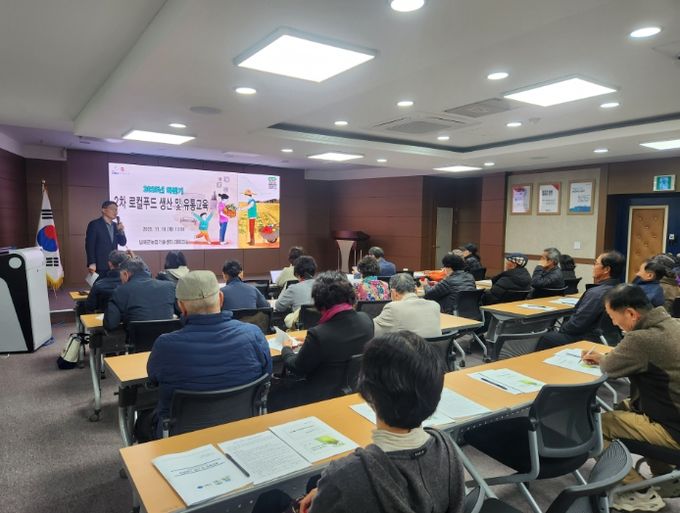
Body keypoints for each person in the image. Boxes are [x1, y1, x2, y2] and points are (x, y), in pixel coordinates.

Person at [295, 331, 465, 513]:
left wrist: (331, 491)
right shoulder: (447, 447)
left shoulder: (343, 476)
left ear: (369, 393)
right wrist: (329, 491)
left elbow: (348, 481)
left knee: (275, 499)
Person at [137, 270, 272, 441]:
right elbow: (267, 374)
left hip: (182, 437)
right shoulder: (253, 334)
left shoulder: (165, 345)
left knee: (141, 421)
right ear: (221, 298)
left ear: (181, 306)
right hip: (242, 429)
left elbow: (153, 379)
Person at [582, 284, 680, 511]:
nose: (614, 323)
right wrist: (605, 357)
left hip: (673, 429)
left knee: (594, 425)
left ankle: (638, 491)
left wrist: (602, 359)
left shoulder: (641, 339)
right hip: (671, 411)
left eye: (612, 317)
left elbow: (610, 368)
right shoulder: (673, 324)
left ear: (630, 313)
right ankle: (666, 477)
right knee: (624, 407)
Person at [280, 271, 373, 377]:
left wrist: (286, 349)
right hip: (356, 383)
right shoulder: (367, 319)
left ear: (319, 300)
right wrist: (309, 343)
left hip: (320, 386)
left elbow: (297, 368)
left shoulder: (318, 334)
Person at [535, 250, 625, 350]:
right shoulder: (622, 289)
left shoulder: (596, 294)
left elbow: (577, 324)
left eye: (596, 263)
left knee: (547, 338)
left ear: (606, 269)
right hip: (611, 338)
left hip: (590, 340)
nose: (593, 267)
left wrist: (562, 330)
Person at [104, 256, 176, 330]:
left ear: (125, 274)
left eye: (121, 276)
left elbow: (110, 324)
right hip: (167, 336)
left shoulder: (120, 291)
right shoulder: (169, 286)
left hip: (137, 336)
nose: (121, 280)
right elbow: (181, 312)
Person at [373, 273, 441, 338]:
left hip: (409, 346)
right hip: (432, 346)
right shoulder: (435, 306)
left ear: (393, 292)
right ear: (415, 290)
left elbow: (372, 330)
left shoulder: (393, 308)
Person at [85, 200, 127, 278]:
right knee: (99, 284)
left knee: (113, 285)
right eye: (112, 209)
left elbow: (123, 243)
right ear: (104, 210)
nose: (115, 212)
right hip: (99, 265)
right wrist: (92, 263)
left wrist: (121, 231)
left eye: (116, 209)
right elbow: (90, 245)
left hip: (114, 265)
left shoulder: (116, 225)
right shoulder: (95, 224)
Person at [274, 255, 317, 327]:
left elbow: (279, 307)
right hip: (321, 327)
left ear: (297, 273)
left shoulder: (293, 288)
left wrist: (285, 289)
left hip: (301, 329)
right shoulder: (324, 286)